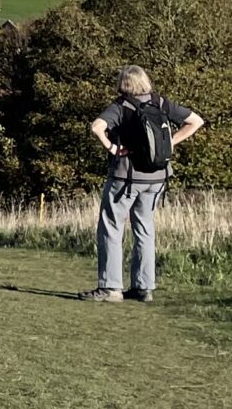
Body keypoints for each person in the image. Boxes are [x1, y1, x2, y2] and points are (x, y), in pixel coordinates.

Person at [84, 66, 205, 302]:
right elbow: (196, 121)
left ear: (124, 84)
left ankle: (111, 288)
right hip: (158, 177)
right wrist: (170, 142)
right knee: (145, 229)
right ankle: (144, 287)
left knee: (111, 227)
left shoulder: (121, 106)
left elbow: (96, 127)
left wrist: (112, 147)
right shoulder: (161, 103)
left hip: (125, 178)